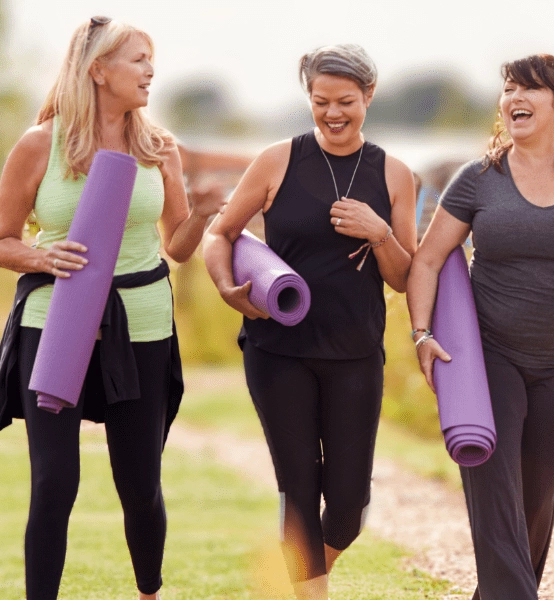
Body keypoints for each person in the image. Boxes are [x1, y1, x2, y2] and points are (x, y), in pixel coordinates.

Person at [0, 17, 226, 600]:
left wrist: (204, 213)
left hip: (141, 325)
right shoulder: (40, 144)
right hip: (56, 325)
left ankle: (149, 592)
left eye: (150, 61)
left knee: (140, 484)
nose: (150, 72)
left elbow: (178, 247)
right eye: (138, 60)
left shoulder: (157, 148)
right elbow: (1, 242)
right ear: (98, 70)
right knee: (54, 482)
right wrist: (43, 259)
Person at [406, 54, 554, 600]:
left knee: (536, 505)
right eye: (508, 87)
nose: (514, 96)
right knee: (495, 493)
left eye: (529, 88)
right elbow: (427, 260)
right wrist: (422, 333)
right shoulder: (478, 179)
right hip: (490, 355)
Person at [202, 44, 416, 600]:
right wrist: (228, 290)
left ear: (369, 96)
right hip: (278, 352)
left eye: (346, 100)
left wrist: (379, 231)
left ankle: (297, 578)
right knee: (297, 490)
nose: (333, 113)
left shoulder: (394, 174)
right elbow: (221, 233)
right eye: (320, 101)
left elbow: (403, 276)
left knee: (347, 505)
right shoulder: (277, 160)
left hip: (355, 353)